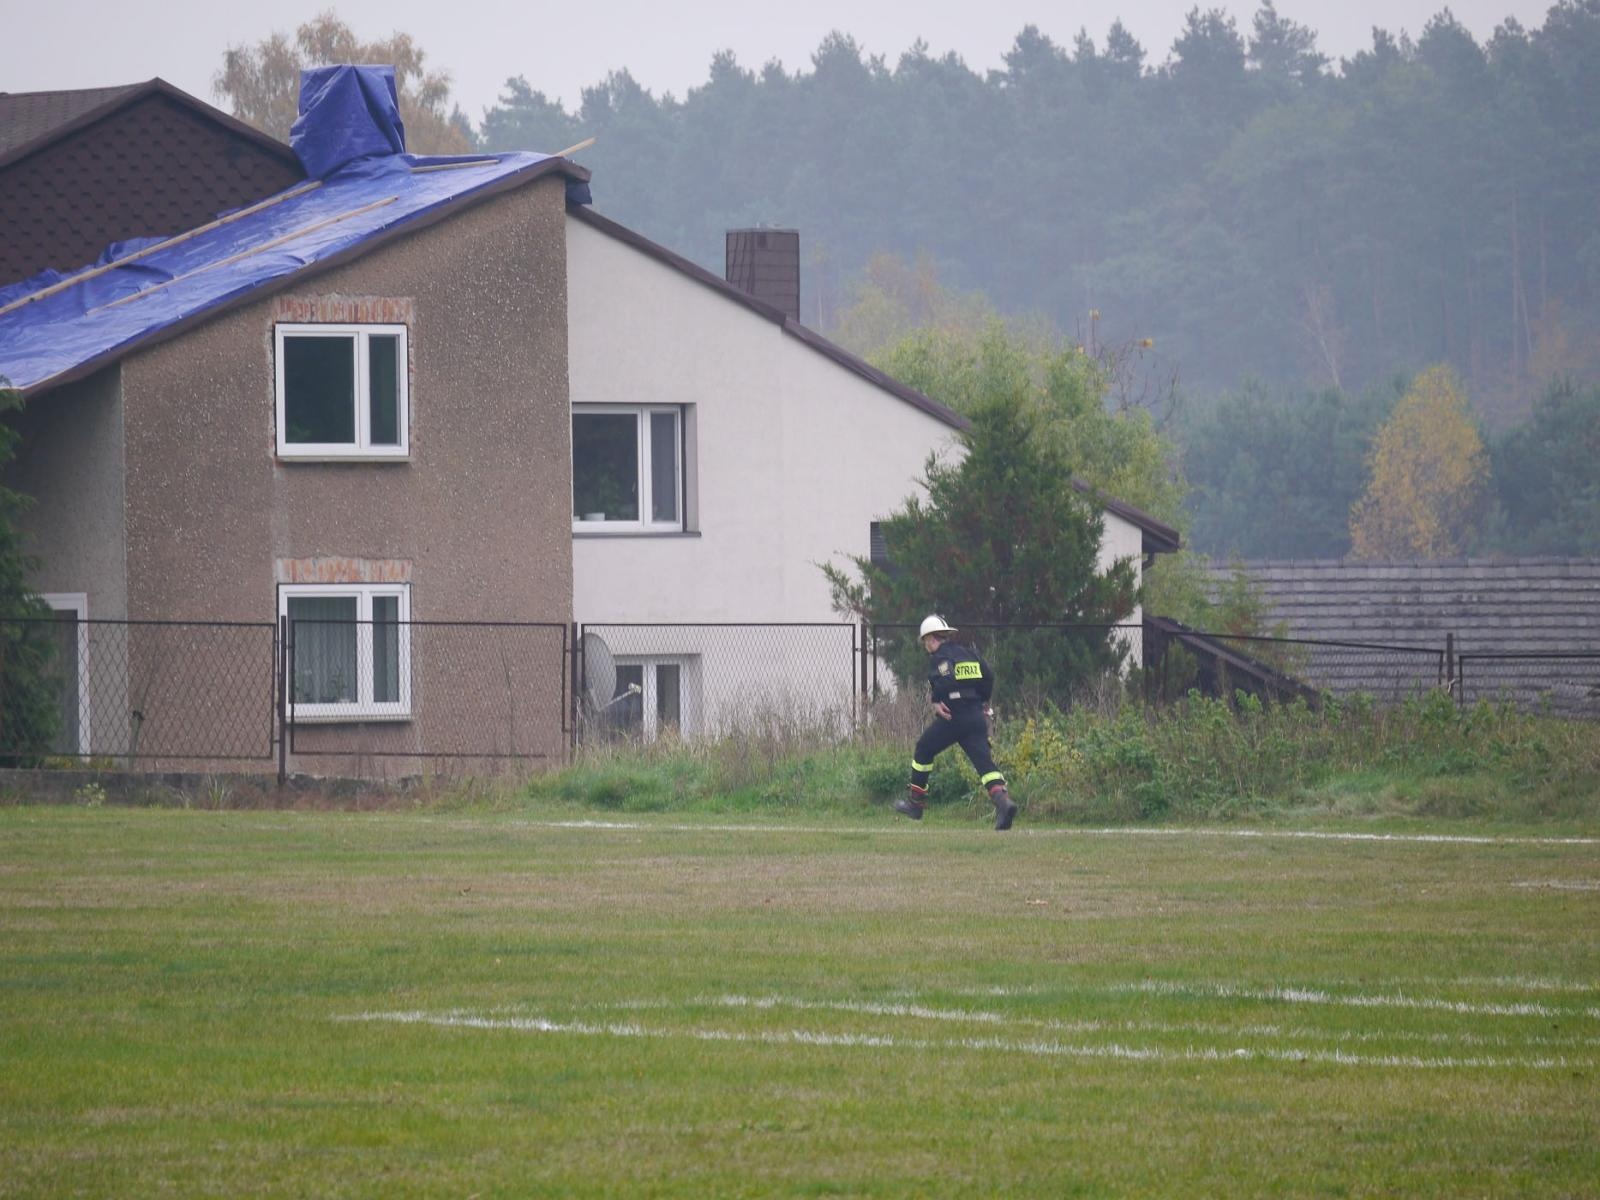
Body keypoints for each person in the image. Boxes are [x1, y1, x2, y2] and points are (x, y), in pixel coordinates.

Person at [893, 615, 1018, 830]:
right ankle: (1003, 803)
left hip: (953, 717)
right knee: (985, 764)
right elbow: (989, 676)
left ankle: (915, 804)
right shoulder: (970, 654)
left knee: (923, 749)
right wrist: (982, 701)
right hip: (975, 716)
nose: (926, 646)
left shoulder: (940, 657)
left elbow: (947, 677)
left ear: (931, 639)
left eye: (925, 641)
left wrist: (936, 700)